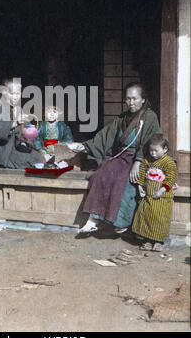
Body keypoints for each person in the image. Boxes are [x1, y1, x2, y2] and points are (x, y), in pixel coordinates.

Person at [68, 82, 161, 235]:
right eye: (128, 99)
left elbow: (149, 142)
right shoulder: (122, 118)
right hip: (120, 157)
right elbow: (106, 136)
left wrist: (138, 162)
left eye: (134, 98)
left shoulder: (150, 117)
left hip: (138, 159)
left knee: (121, 180)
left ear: (143, 99)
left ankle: (121, 223)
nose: (130, 102)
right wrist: (84, 146)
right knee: (100, 174)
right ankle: (93, 220)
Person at [131, 134, 177, 251]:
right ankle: (147, 240)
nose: (153, 153)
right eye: (151, 150)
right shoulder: (147, 160)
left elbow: (171, 178)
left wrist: (162, 190)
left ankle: (158, 242)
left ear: (165, 149)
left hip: (162, 198)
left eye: (156, 151)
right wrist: (139, 187)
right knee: (147, 217)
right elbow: (141, 174)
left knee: (159, 219)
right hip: (148, 195)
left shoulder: (169, 162)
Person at [0, 78, 41, 168]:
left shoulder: (17, 109)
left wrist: (27, 129)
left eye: (18, 94)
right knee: (29, 161)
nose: (15, 97)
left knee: (38, 157)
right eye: (12, 94)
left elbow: (20, 134)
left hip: (12, 147)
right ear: (4, 92)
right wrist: (16, 122)